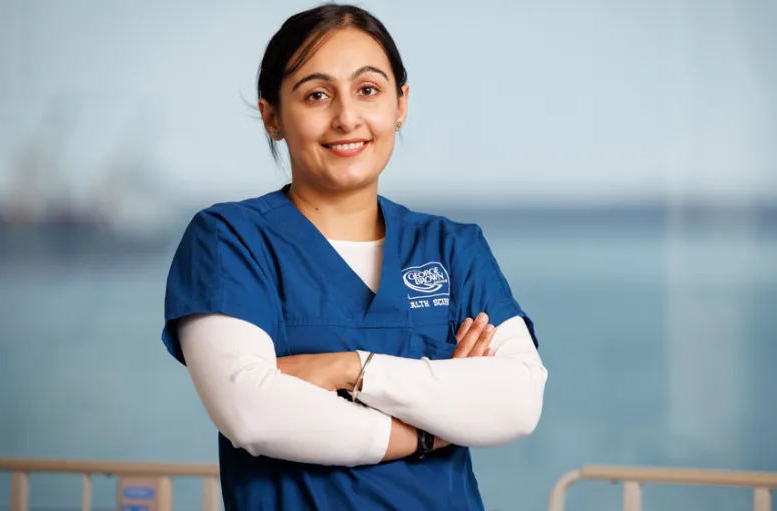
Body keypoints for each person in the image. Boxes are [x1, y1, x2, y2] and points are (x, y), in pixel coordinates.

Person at [161, 4, 548, 510]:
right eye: (317, 95)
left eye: (368, 90)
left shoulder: (452, 248)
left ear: (400, 104)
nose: (347, 118)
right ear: (272, 116)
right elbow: (252, 414)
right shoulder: (230, 241)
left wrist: (352, 369)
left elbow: (517, 402)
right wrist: (429, 428)